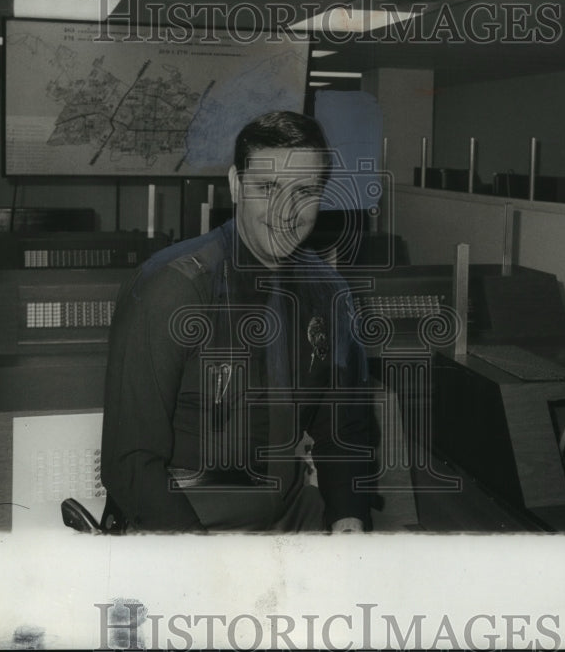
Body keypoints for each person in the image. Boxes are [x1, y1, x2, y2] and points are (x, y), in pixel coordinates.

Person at [100, 110, 374, 533]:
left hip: (289, 515)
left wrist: (347, 516)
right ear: (235, 185)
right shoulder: (173, 288)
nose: (286, 211)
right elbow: (131, 463)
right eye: (268, 188)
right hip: (188, 518)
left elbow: (345, 428)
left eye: (304, 191)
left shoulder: (330, 291)